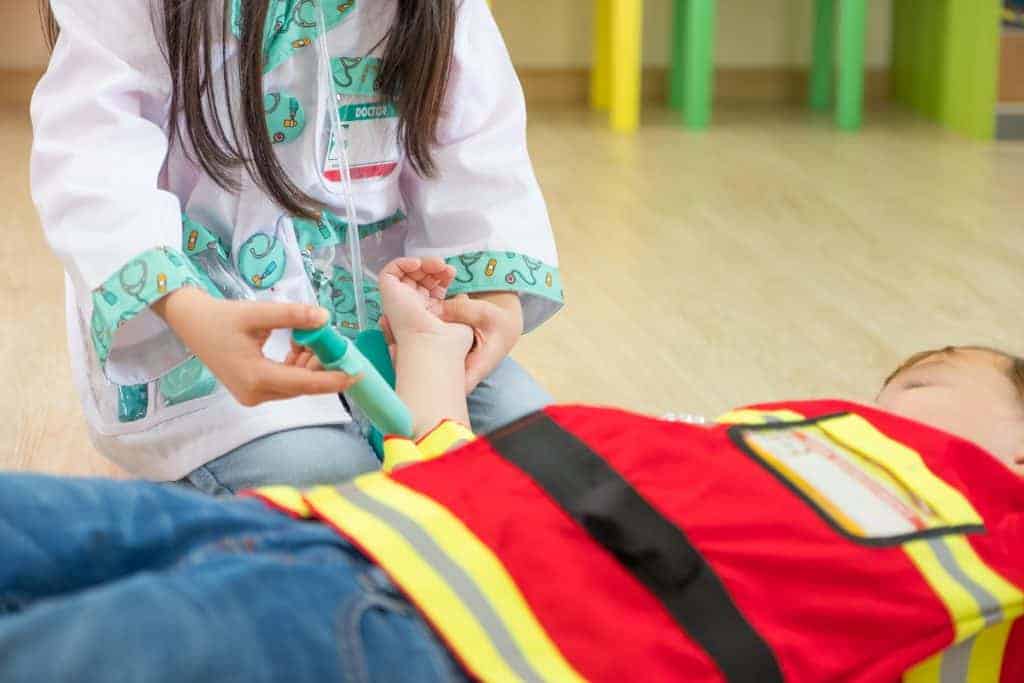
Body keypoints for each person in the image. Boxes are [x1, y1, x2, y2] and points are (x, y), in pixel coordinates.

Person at [0, 256, 1021, 681]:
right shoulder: (757, 435)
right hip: (344, 527)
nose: (894, 393)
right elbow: (464, 458)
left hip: (439, 637)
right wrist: (424, 345)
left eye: (929, 378)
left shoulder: (997, 538)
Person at [30, 0, 563, 494]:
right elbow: (94, 153)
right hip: (213, 317)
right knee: (331, 492)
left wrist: (488, 307)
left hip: (401, 313)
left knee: (546, 468)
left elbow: (477, 144)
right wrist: (192, 313)